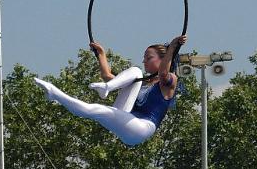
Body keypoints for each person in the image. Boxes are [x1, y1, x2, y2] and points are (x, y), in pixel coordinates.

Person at [33, 35, 187, 146]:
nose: (144, 61)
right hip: (127, 118)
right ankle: (106, 89)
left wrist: (172, 47)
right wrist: (101, 54)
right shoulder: (142, 83)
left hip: (141, 129)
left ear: (163, 59)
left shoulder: (170, 81)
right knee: (135, 72)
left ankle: (55, 93)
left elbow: (163, 74)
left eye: (148, 58)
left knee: (96, 110)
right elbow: (108, 76)